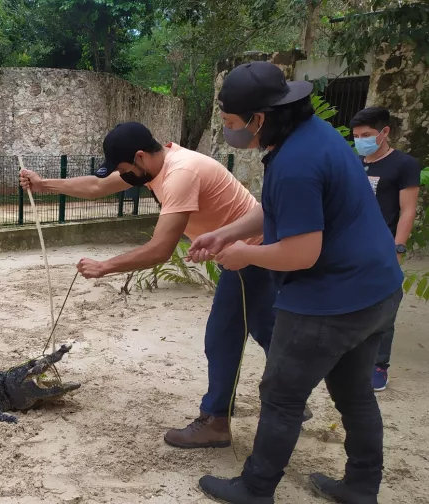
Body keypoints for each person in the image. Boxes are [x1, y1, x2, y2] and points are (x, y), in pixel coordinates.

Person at [193, 61, 403, 504]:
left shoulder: (294, 162)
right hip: (378, 289)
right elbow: (279, 210)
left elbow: (301, 252)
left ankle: (256, 488)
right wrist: (227, 233)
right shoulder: (315, 134)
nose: (230, 132)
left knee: (282, 395)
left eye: (231, 124)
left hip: (332, 299)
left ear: (260, 118)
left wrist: (246, 255)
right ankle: (362, 488)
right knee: (354, 393)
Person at [19, 121, 312, 450]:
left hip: (251, 255)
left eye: (125, 169)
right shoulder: (157, 165)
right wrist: (44, 184)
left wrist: (105, 267)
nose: (124, 176)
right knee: (264, 330)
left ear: (140, 157)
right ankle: (288, 401)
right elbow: (96, 187)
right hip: (244, 252)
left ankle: (220, 420)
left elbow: (160, 250)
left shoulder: (180, 174)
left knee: (225, 337)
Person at [350, 106, 421, 391]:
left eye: (366, 135)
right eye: (356, 135)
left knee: (384, 308)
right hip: (350, 245)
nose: (360, 140)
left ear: (385, 132)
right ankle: (350, 359)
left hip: (383, 247)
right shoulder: (354, 162)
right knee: (349, 304)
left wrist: (398, 249)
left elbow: (407, 210)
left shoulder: (404, 165)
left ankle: (379, 365)